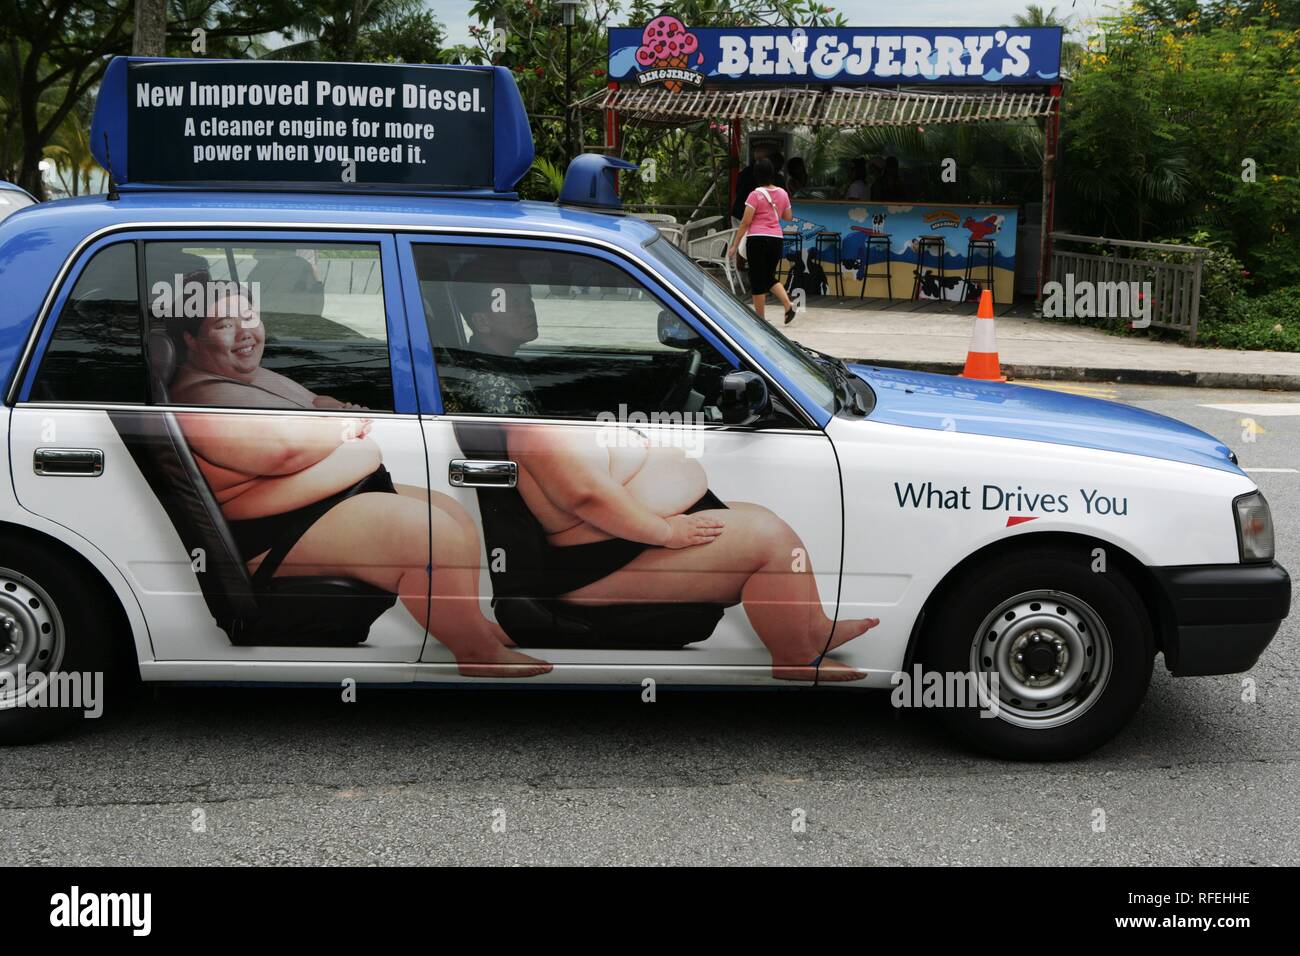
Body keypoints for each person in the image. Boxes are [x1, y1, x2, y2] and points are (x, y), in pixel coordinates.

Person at [446, 260, 880, 681]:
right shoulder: (500, 397)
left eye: (526, 296)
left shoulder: (504, 376)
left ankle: (812, 627)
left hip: (606, 546)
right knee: (767, 541)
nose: (527, 306)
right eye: (510, 301)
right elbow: (583, 494)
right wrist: (664, 532)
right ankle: (796, 656)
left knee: (758, 520)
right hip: (589, 565)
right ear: (482, 322)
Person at [165, 278, 553, 678]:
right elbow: (287, 449)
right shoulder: (205, 397)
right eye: (225, 325)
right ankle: (475, 652)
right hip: (272, 535)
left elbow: (314, 404)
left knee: (451, 513)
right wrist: (346, 426)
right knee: (434, 534)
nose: (246, 331)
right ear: (191, 340)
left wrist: (333, 414)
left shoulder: (248, 377)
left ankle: (468, 622)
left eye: (249, 316)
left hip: (311, 508)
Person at [727, 158, 798, 324]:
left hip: (757, 240)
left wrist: (734, 245)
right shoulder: (782, 193)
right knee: (766, 277)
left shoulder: (755, 195)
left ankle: (760, 320)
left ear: (756, 175)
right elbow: (788, 217)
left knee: (757, 278)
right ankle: (788, 305)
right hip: (776, 240)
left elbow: (745, 222)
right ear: (772, 173)